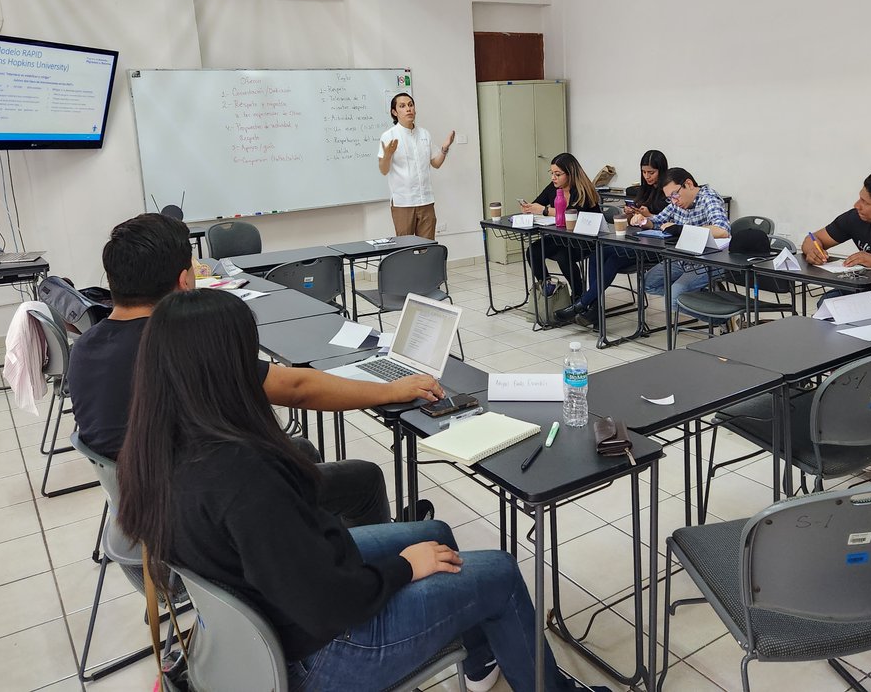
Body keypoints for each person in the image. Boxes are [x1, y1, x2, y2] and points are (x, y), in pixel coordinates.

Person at [116, 290, 604, 692]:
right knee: (497, 572)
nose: (258, 368)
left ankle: (480, 658)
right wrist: (403, 568)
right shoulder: (242, 474)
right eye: (249, 355)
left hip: (276, 611)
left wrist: (398, 563)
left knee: (434, 531)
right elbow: (330, 603)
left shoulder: (159, 442)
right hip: (319, 652)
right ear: (226, 369)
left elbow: (299, 566)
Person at [67, 213, 444, 527]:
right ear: (185, 281)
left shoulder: (84, 347)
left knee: (301, 450)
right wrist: (391, 390)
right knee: (362, 479)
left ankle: (314, 536)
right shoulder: (178, 346)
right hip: (197, 513)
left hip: (140, 502)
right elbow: (296, 387)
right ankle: (357, 567)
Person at [637, 168, 731, 317]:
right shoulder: (676, 202)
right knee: (647, 283)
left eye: (675, 194)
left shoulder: (708, 198)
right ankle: (707, 298)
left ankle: (723, 318)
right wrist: (642, 221)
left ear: (688, 184)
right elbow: (656, 222)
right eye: (670, 198)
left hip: (707, 261)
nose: (674, 201)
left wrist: (682, 229)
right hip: (682, 258)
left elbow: (722, 230)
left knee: (674, 299)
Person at [520, 153, 602, 298]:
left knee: (563, 254)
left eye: (558, 174)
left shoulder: (582, 191)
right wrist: (529, 208)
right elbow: (537, 203)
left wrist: (545, 211)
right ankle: (548, 287)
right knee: (533, 250)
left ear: (570, 174)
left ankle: (579, 295)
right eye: (552, 173)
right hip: (562, 237)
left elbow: (571, 217)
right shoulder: (553, 187)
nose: (553, 178)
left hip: (586, 238)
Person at [378, 92, 455, 240]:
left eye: (410, 105)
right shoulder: (388, 136)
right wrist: (387, 155)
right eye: (402, 106)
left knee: (427, 248)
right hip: (403, 202)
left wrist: (445, 148)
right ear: (395, 112)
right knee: (405, 249)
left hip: (426, 200)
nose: (408, 109)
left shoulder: (424, 134)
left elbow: (436, 163)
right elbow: (383, 169)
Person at [623, 149, 669, 220]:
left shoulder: (668, 192)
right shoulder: (645, 189)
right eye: (644, 172)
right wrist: (632, 212)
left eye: (651, 173)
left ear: (661, 171)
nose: (647, 176)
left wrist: (649, 215)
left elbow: (671, 221)